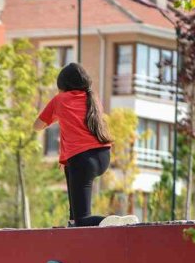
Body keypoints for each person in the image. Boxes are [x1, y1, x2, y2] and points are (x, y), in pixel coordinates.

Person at [34, 63, 137, 227]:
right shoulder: (92, 98)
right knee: (76, 216)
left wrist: (56, 115)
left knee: (83, 220)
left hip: (82, 159)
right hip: (102, 156)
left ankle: (111, 221)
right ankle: (72, 224)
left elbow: (37, 125)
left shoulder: (59, 100)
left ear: (63, 86)